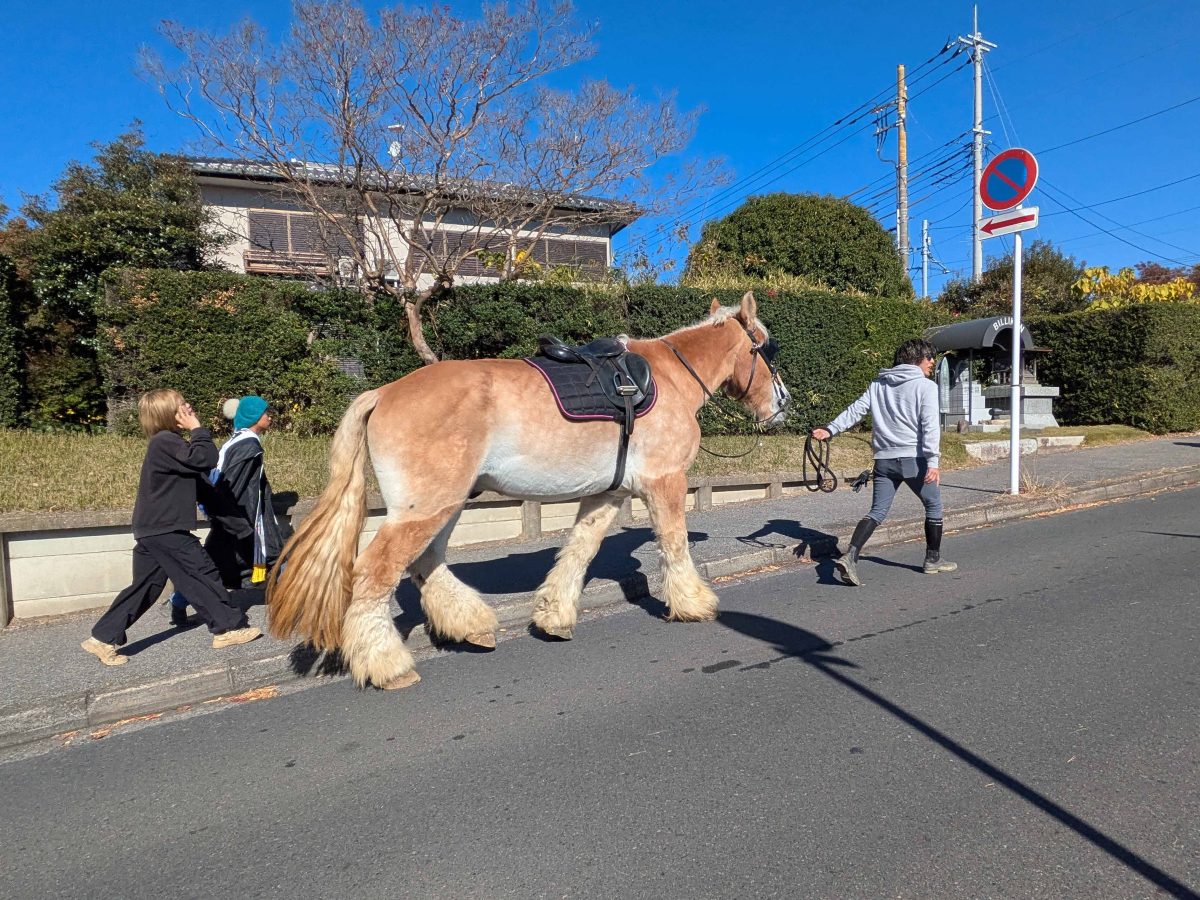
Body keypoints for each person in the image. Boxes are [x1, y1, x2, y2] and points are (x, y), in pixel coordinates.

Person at [81, 389, 262, 666]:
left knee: (147, 586)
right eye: (182, 405)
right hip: (165, 529)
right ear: (170, 415)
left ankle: (102, 638)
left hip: (154, 529)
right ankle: (227, 629)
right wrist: (198, 428)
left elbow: (205, 489)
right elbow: (206, 459)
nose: (189, 407)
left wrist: (237, 525)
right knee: (202, 573)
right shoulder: (164, 442)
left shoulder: (173, 447)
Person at [811, 338, 957, 587]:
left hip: (884, 461)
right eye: (929, 357)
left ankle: (850, 557)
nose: (932, 362)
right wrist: (933, 461)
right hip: (914, 459)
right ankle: (933, 560)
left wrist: (830, 429)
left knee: (877, 512)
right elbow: (930, 426)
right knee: (933, 505)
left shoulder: (878, 384)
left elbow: (856, 410)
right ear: (916, 358)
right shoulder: (925, 386)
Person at [169, 395, 284, 627]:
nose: (269, 415)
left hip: (233, 519)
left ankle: (178, 602)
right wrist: (236, 520)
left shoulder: (238, 441)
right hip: (242, 520)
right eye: (265, 412)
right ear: (253, 417)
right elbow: (234, 485)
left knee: (213, 566)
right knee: (274, 558)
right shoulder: (247, 446)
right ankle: (304, 602)